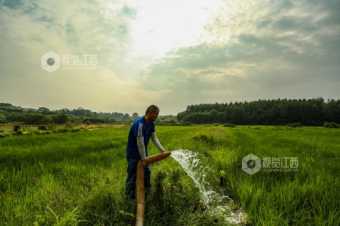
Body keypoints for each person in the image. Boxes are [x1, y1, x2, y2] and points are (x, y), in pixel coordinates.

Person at [125, 105, 168, 200]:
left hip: (143, 153)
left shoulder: (151, 124)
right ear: (150, 113)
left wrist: (162, 150)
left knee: (147, 173)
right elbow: (140, 144)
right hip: (133, 155)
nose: (157, 116)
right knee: (132, 177)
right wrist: (144, 159)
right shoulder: (139, 124)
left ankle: (147, 194)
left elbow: (154, 138)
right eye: (156, 114)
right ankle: (129, 199)